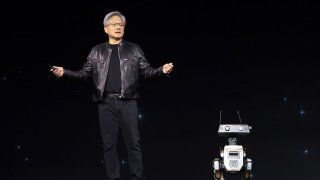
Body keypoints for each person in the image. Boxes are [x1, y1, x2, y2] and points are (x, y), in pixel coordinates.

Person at [50, 11, 173, 180]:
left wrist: (162, 70)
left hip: (128, 101)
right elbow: (83, 75)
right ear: (105, 28)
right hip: (105, 103)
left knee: (134, 144)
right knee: (109, 145)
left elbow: (148, 72)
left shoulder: (134, 49)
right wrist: (65, 72)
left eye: (121, 25)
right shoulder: (96, 51)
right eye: (114, 24)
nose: (118, 27)